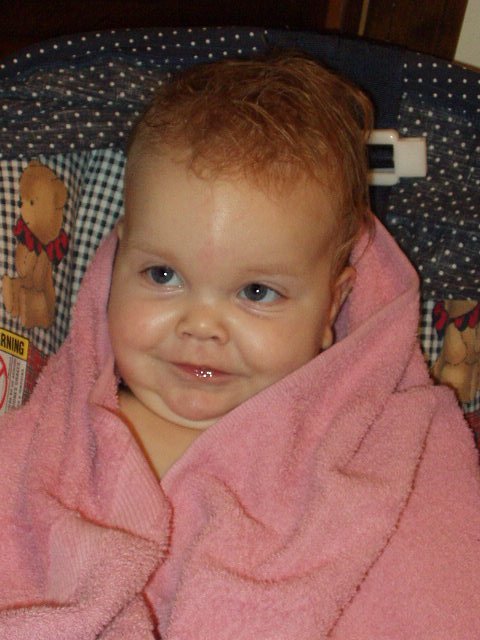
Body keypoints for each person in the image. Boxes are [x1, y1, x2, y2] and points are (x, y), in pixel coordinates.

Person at [0, 52, 479, 639]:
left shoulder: (369, 450)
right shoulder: (58, 436)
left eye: (256, 292)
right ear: (117, 260)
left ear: (331, 308)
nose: (202, 326)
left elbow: (433, 583)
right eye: (162, 276)